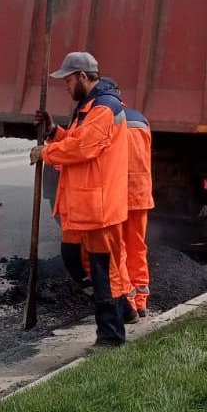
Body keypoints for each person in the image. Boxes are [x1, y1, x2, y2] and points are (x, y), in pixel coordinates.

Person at [31, 51, 129, 348]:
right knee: (73, 257)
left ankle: (111, 334)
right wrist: (53, 132)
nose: (66, 86)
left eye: (69, 80)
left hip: (98, 208)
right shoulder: (87, 108)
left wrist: (45, 152)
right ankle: (123, 309)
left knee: (102, 270)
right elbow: (74, 141)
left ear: (84, 77)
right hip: (83, 206)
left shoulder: (104, 108)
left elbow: (85, 148)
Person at [122, 105, 154, 318]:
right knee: (137, 247)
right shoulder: (141, 119)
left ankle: (128, 302)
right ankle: (141, 301)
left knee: (120, 249)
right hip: (141, 193)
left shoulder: (109, 119)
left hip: (120, 194)